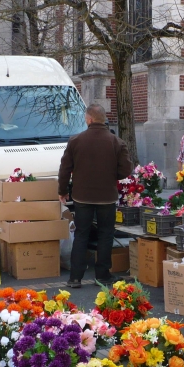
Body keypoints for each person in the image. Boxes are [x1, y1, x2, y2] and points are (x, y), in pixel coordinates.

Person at [58, 104, 133, 288]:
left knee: (81, 234)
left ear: (89, 119)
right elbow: (126, 170)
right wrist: (111, 176)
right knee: (105, 235)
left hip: (82, 196)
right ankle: (103, 275)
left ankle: (75, 278)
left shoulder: (75, 141)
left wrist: (63, 191)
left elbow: (65, 168)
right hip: (107, 196)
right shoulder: (116, 142)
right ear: (103, 119)